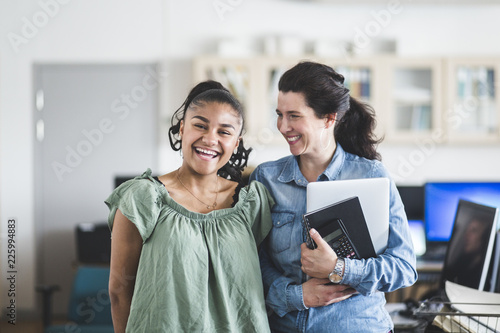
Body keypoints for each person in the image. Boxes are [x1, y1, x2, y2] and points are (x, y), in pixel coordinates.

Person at [249, 61, 417, 332]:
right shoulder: (266, 179)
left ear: (329, 118)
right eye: (279, 114)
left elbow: (403, 268)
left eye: (294, 116)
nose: (282, 126)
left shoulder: (372, 175)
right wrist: (298, 295)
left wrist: (339, 268)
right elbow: (252, 264)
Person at [105, 80, 274, 333]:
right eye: (200, 126)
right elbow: (119, 292)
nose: (210, 139)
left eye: (224, 132)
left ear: (236, 143)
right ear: (182, 129)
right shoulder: (142, 198)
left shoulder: (252, 203)